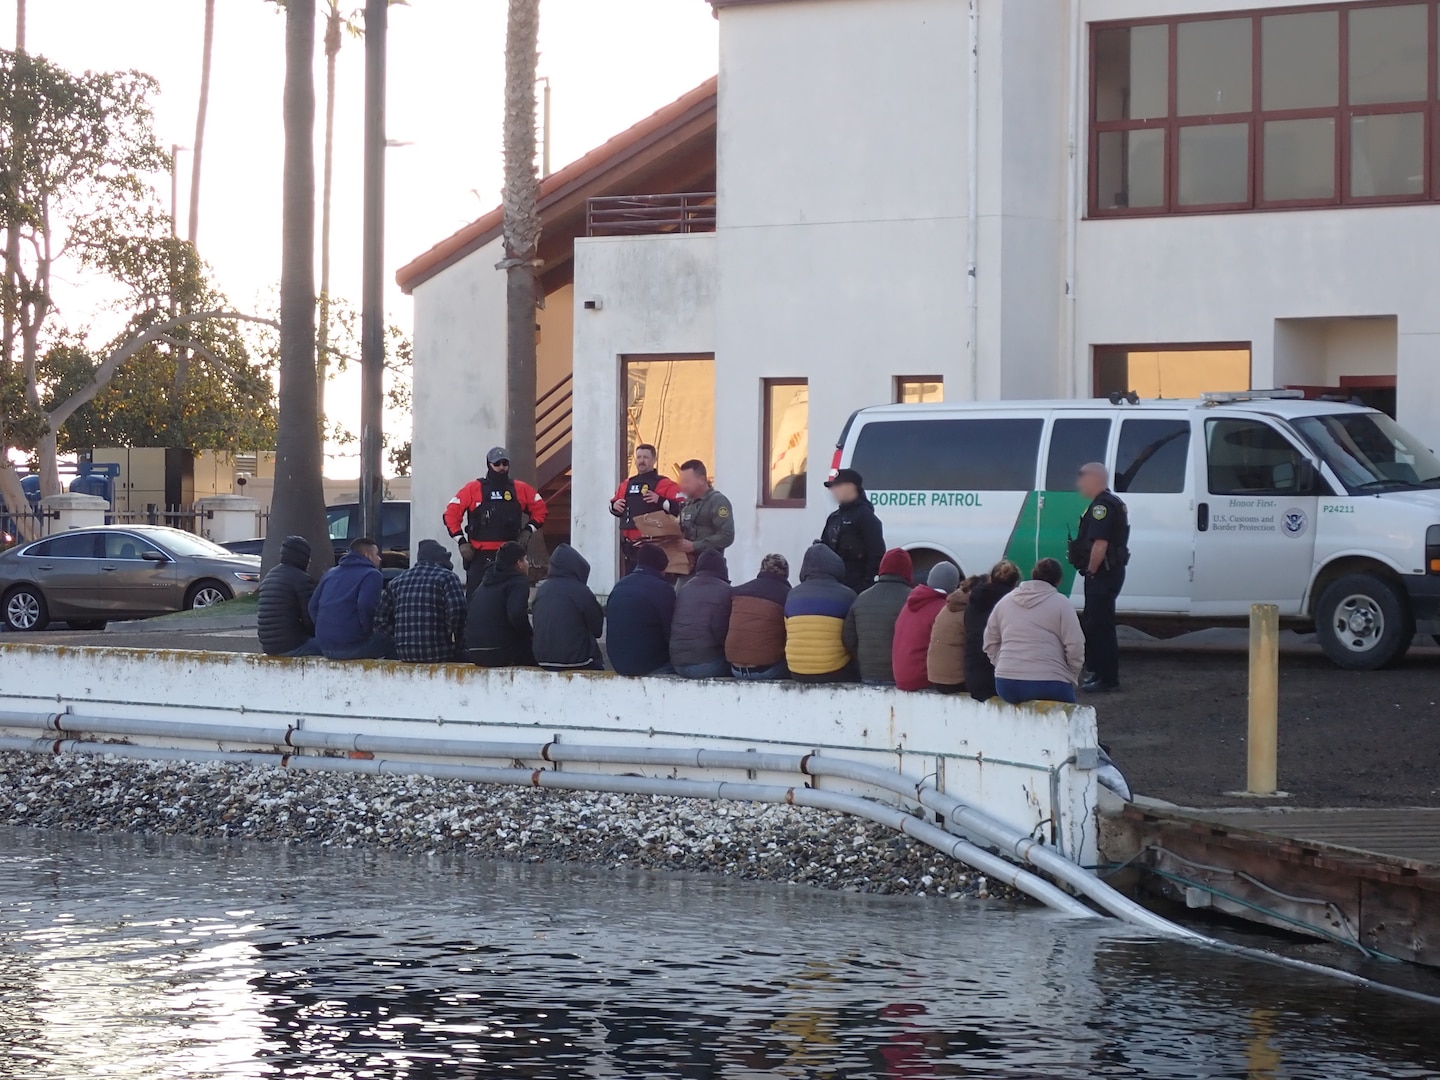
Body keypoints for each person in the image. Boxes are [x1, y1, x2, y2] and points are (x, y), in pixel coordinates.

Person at [445, 447, 548, 596]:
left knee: (513, 599)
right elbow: (450, 514)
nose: (501, 467)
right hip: (480, 555)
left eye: (504, 463)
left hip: (511, 555)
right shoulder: (473, 488)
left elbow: (540, 509)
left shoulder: (520, 488)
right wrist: (461, 541)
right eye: (497, 463)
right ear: (489, 464)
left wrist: (528, 530)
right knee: (476, 600)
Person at [982, 558, 1086, 705]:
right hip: (1049, 682)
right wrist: (1071, 674)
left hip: (1006, 683)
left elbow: (989, 642)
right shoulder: (1062, 604)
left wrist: (1003, 664)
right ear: (1059, 581)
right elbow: (1075, 645)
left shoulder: (1005, 601)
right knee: (1068, 718)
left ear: (1032, 574)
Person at [1069, 462, 1130, 693]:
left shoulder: (1101, 507)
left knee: (1099, 625)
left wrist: (1091, 571)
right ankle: (1101, 673)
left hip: (1103, 573)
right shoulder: (1113, 502)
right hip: (1110, 572)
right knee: (1100, 623)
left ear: (1094, 479)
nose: (1079, 484)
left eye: (1082, 479)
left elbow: (1100, 544)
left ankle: (1106, 678)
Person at [372, 538, 467, 663]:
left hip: (404, 653)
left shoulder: (397, 581)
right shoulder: (448, 578)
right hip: (438, 652)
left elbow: (380, 618)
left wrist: (399, 637)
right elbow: (458, 613)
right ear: (441, 559)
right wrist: (452, 638)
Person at [784, 543, 858, 684]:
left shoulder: (792, 594)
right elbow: (852, 636)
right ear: (836, 566)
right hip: (834, 671)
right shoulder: (847, 595)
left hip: (796, 671)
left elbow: (787, 632)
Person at [308, 537, 391, 660]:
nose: (379, 558)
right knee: (393, 640)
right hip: (352, 647)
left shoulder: (331, 573)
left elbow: (312, 606)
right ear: (367, 555)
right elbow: (366, 606)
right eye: (377, 554)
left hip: (324, 646)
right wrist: (368, 632)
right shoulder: (371, 574)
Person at [841, 548, 913, 686]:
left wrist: (864, 657)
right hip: (898, 677)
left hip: (867, 675)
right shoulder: (912, 599)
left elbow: (848, 638)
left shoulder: (861, 598)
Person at [610, 444, 683, 575]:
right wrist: (614, 506)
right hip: (630, 548)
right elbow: (613, 504)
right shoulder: (626, 484)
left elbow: (682, 508)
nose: (641, 460)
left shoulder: (664, 484)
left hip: (654, 548)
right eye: (638, 457)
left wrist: (659, 500)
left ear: (654, 460)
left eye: (645, 457)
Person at [605, 542, 676, 676]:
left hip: (618, 663)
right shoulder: (662, 589)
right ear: (661, 567)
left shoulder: (620, 585)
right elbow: (672, 632)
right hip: (649, 665)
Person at [532, 543, 605, 672]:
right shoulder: (581, 591)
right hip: (576, 661)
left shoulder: (542, 590)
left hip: (542, 660)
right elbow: (597, 630)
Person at [465, 540, 534, 667]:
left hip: (474, 652)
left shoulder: (485, 582)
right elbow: (517, 615)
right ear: (519, 563)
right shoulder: (518, 581)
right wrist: (530, 636)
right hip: (499, 651)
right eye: (525, 560)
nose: (528, 564)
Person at [892, 561, 959, 692]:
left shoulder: (909, 604)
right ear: (954, 586)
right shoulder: (942, 609)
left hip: (899, 677)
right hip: (921, 679)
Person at [668, 549, 733, 679]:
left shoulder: (684, 589)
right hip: (707, 665)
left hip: (677, 664)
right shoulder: (726, 591)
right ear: (722, 568)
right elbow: (721, 631)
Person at [726, 553, 791, 680]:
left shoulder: (736, 592)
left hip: (735, 670)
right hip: (766, 671)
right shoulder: (788, 596)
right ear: (786, 573)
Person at [963, 560, 1021, 701]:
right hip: (1002, 681)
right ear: (1015, 582)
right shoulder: (1015, 604)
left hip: (974, 681)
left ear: (991, 578)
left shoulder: (973, 601)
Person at [821, 468, 885, 594]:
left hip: (856, 590)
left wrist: (865, 586)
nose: (833, 490)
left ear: (851, 487)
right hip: (833, 587)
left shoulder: (865, 517)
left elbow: (876, 555)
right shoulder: (834, 517)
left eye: (838, 486)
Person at [256, 534, 316, 656]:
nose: (310, 561)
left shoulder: (270, 575)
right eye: (308, 557)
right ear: (301, 557)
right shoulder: (300, 578)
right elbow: (310, 618)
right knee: (335, 648)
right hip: (293, 645)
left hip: (269, 646)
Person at [676, 459, 734, 575]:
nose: (683, 486)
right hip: (687, 568)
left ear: (702, 479)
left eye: (687, 482)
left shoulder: (717, 501)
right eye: (681, 482)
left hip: (710, 570)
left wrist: (694, 546)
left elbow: (727, 536)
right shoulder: (687, 504)